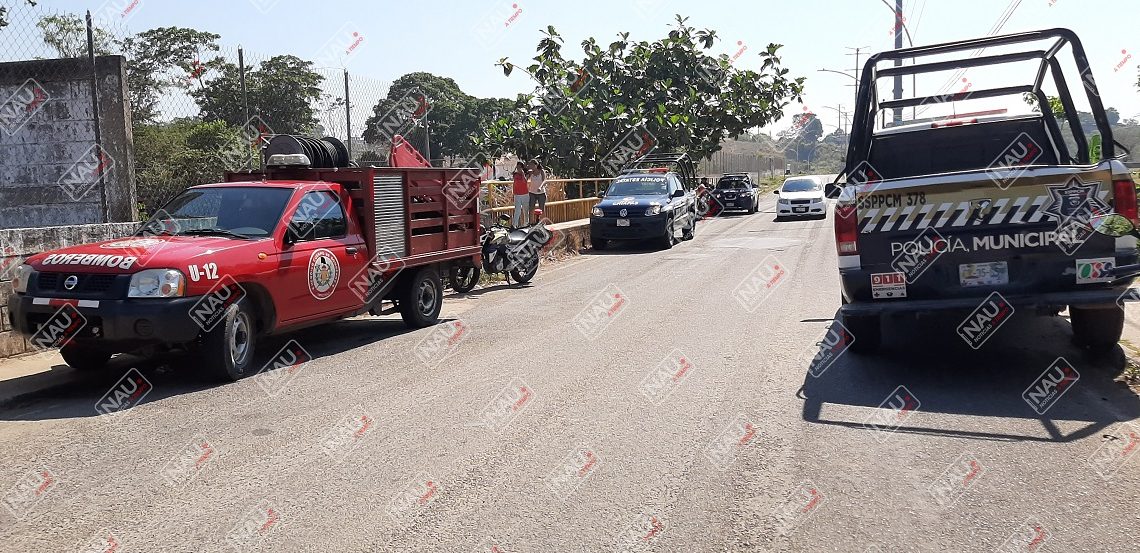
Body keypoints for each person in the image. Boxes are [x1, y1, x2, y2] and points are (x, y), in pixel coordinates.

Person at [526, 159, 548, 225]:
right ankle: (530, 222)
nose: (531, 166)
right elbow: (525, 179)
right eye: (530, 165)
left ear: (536, 165)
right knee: (531, 208)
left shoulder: (541, 171)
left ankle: (542, 223)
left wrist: (540, 187)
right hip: (532, 192)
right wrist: (527, 173)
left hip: (541, 193)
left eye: (532, 165)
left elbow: (544, 180)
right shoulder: (531, 172)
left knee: (542, 208)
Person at [511, 162, 530, 228]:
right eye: (517, 167)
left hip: (525, 194)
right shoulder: (515, 174)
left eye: (520, 167)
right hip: (517, 194)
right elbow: (514, 184)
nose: (518, 168)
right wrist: (513, 193)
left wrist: (522, 174)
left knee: (526, 210)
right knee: (517, 210)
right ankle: (514, 225)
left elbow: (525, 181)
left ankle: (526, 224)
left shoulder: (526, 174)